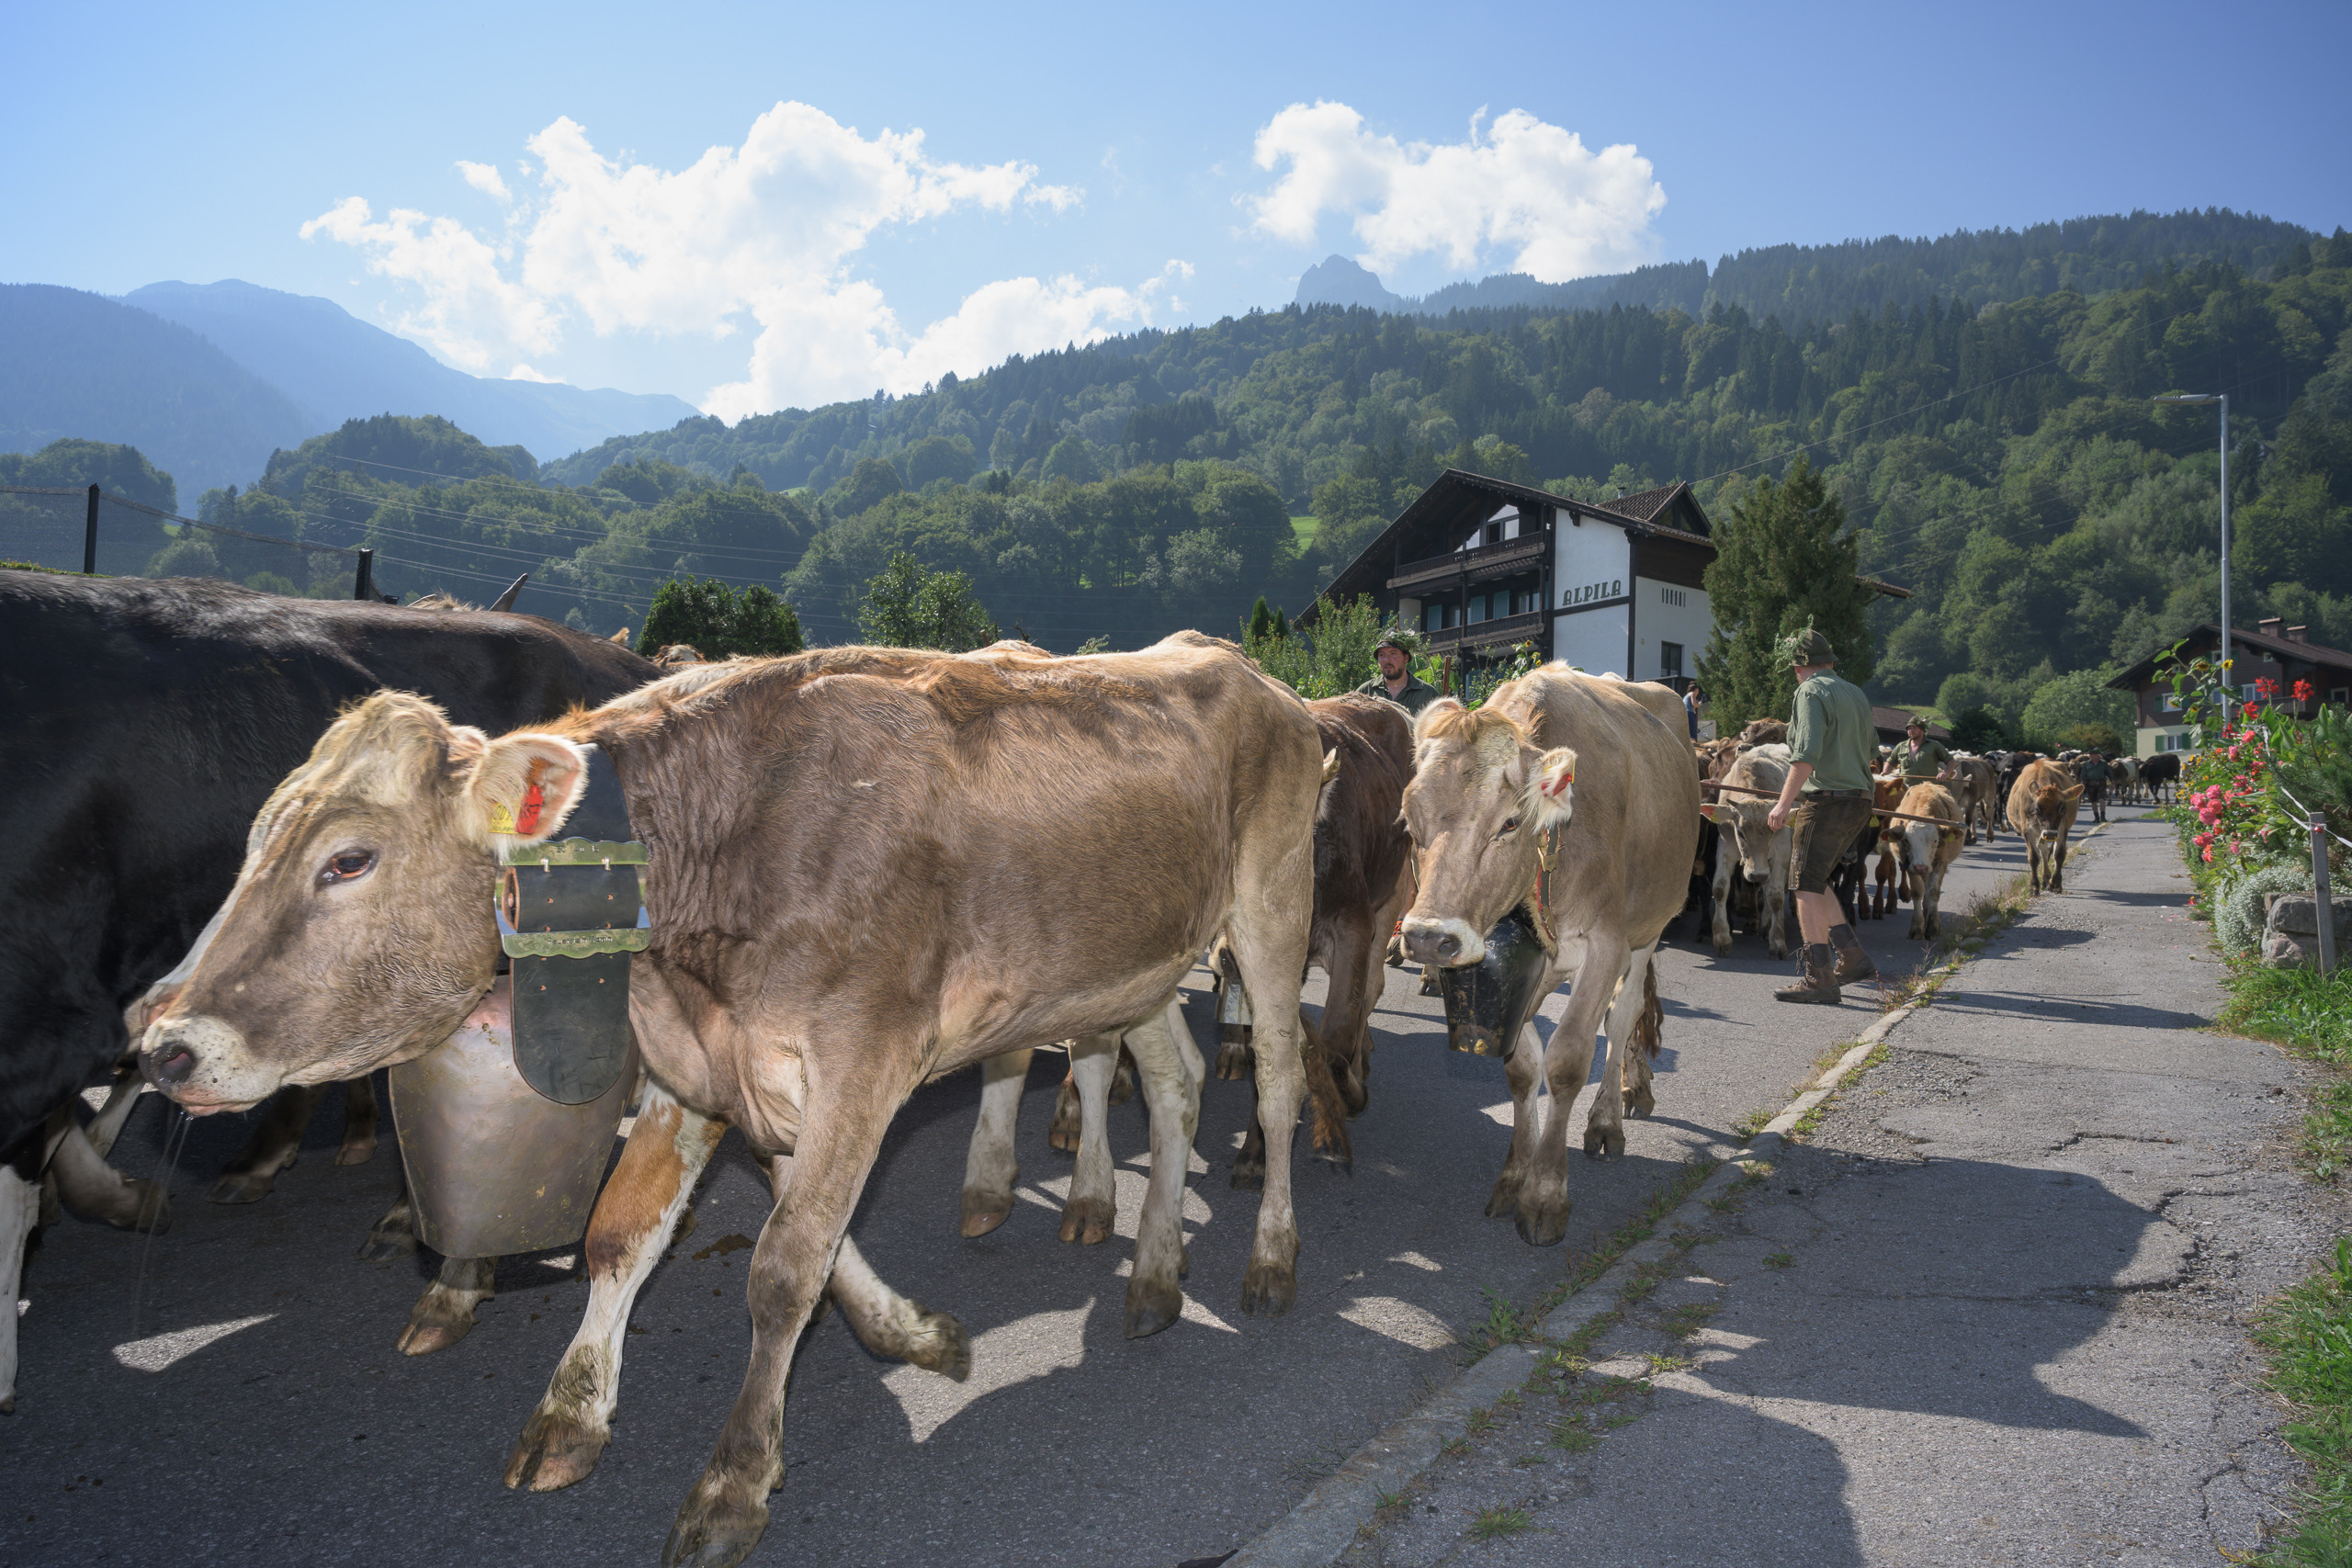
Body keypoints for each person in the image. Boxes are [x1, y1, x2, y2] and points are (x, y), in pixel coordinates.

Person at [1765, 626, 1880, 1005]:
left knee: (1803, 885)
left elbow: (1806, 754)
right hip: (1860, 799)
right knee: (1816, 879)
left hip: (1828, 800)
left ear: (1799, 667)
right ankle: (1853, 957)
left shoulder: (1809, 691)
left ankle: (1820, 978)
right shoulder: (1855, 693)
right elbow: (1872, 751)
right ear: (1829, 660)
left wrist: (1783, 805)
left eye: (1794, 670)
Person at [1356, 632, 1442, 716]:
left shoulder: (1428, 694)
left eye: (1393, 653)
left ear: (1406, 658)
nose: (1387, 659)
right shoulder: (1364, 693)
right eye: (1382, 655)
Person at [1892, 716, 1954, 784]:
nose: (1911, 731)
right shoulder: (1901, 746)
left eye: (1914, 728)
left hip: (1927, 789)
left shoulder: (1934, 745)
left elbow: (1951, 761)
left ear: (1923, 730)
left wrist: (1946, 773)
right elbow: (1891, 761)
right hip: (1906, 789)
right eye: (1909, 728)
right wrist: (1884, 772)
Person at [2078, 750, 2109, 823]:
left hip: (2101, 783)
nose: (2091, 756)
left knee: (2102, 799)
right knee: (2093, 801)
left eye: (2093, 754)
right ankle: (2096, 817)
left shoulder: (2103, 763)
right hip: (2090, 784)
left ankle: (2103, 817)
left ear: (2097, 755)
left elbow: (2109, 772)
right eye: (2090, 754)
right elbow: (2083, 773)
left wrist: (2113, 782)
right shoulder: (2086, 764)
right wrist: (2082, 782)